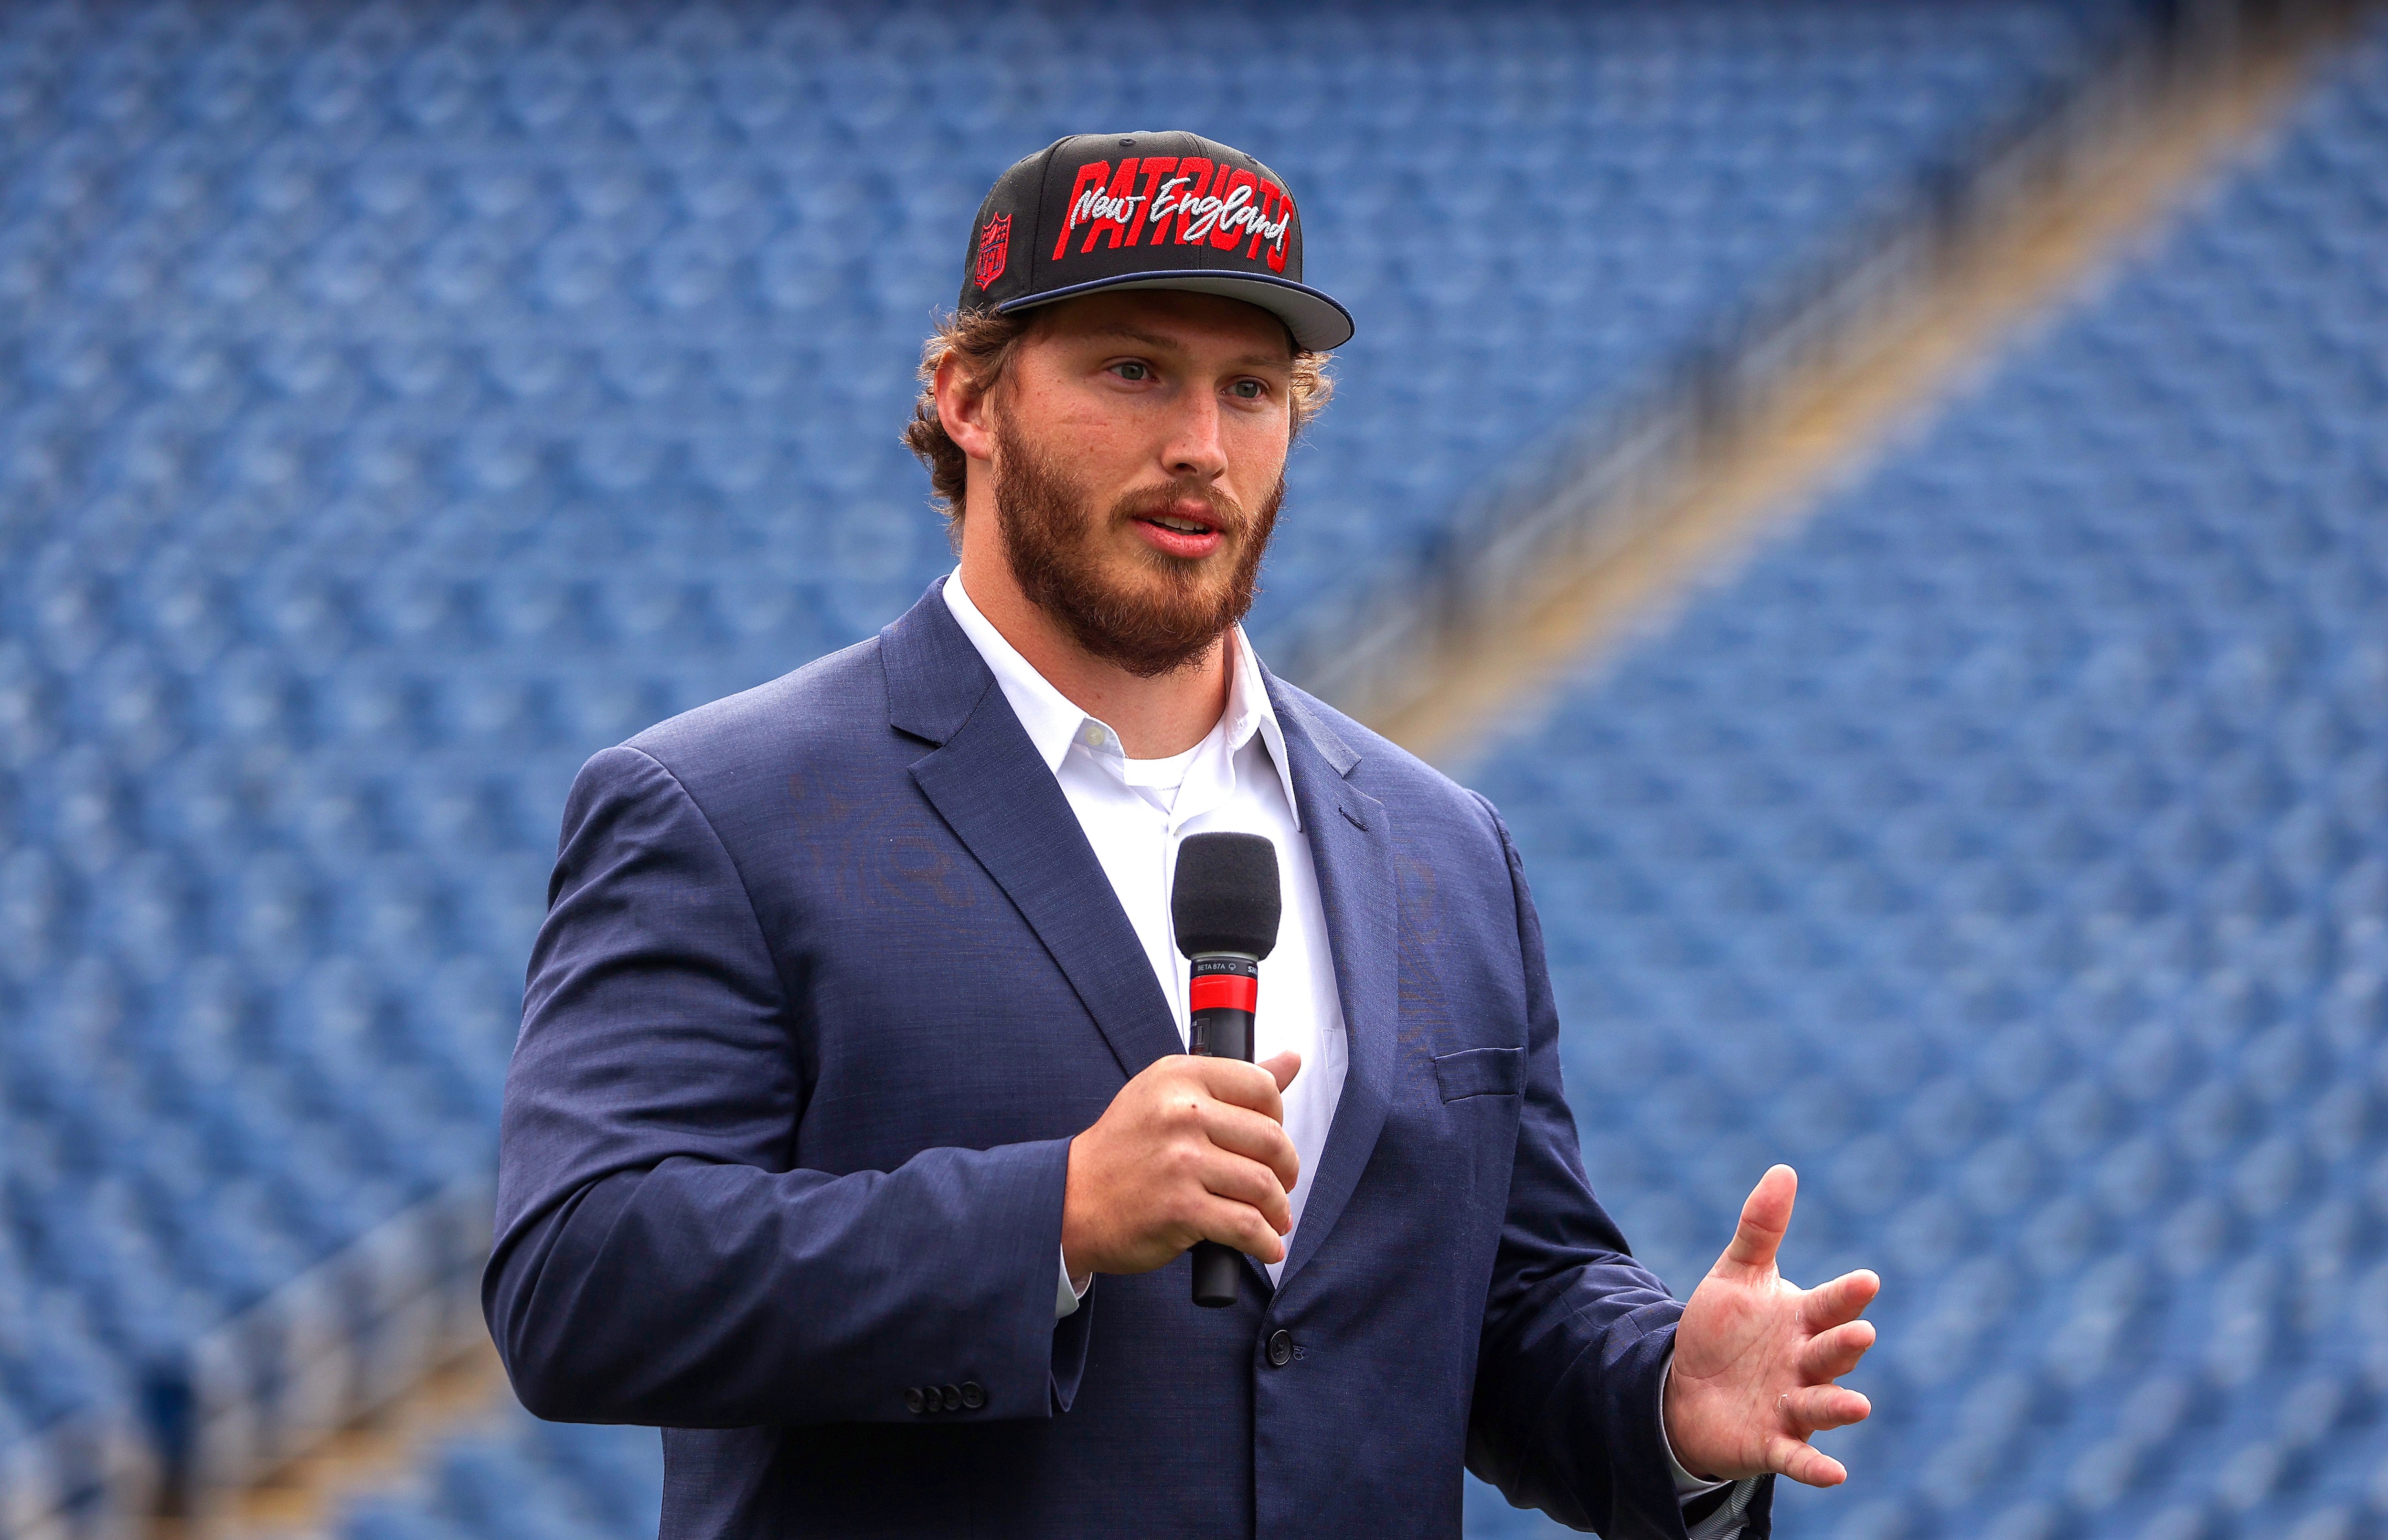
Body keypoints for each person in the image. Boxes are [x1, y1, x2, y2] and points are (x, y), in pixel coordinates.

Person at [486, 131, 1879, 1540]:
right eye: (1134, 369)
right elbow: (579, 1279)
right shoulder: (721, 809)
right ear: (968, 396)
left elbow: (1506, 1299)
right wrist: (1057, 1216)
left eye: (1253, 389)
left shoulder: (1443, 845)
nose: (1201, 446)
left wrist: (1662, 1403)